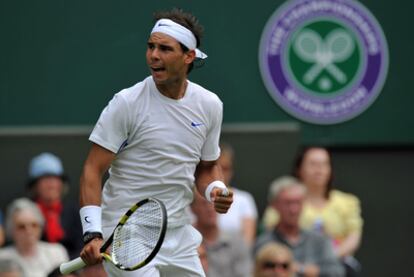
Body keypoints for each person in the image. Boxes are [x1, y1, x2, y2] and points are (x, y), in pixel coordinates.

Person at [78, 8, 233, 277]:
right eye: (151, 46)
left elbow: (207, 167)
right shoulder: (126, 103)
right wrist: (92, 233)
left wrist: (216, 190)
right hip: (126, 233)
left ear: (189, 56)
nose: (154, 56)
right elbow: (92, 169)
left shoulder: (209, 105)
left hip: (178, 231)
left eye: (165, 48)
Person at [292, 147, 363, 276]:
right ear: (299, 170)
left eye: (324, 164)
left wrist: (327, 258)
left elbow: (353, 237)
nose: (319, 170)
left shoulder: (347, 202)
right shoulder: (288, 201)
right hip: (297, 266)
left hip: (338, 264)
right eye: (313, 164)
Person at [255, 176, 344, 277]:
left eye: (298, 202)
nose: (293, 210)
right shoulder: (264, 243)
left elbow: (337, 272)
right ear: (274, 205)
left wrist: (299, 269)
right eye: (287, 203)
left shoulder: (320, 241)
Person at [27, 152, 83, 259]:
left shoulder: (74, 211)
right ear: (34, 186)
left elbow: (82, 246)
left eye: (55, 179)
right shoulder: (26, 212)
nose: (51, 184)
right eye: (45, 179)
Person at [0, 198, 69, 277]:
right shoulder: (2, 257)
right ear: (11, 229)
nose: (29, 231)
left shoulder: (57, 252)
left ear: (41, 227)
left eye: (34, 225)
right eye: (22, 226)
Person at [191, 191, 252, 277]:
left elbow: (244, 273)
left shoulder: (237, 241)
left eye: (213, 203)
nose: (210, 208)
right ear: (192, 208)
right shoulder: (187, 242)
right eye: (204, 203)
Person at [217, 142, 258, 247]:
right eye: (218, 168)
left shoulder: (244, 199)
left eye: (226, 168)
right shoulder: (194, 198)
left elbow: (247, 242)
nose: (222, 174)